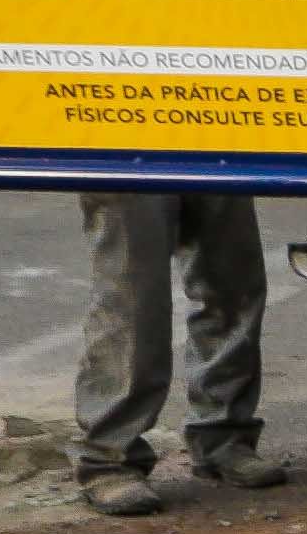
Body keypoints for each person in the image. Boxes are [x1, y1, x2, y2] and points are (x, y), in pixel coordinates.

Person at [67, 186, 270, 514]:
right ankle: (109, 459)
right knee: (133, 297)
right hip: (129, 145)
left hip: (215, 139)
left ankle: (222, 435)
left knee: (232, 282)